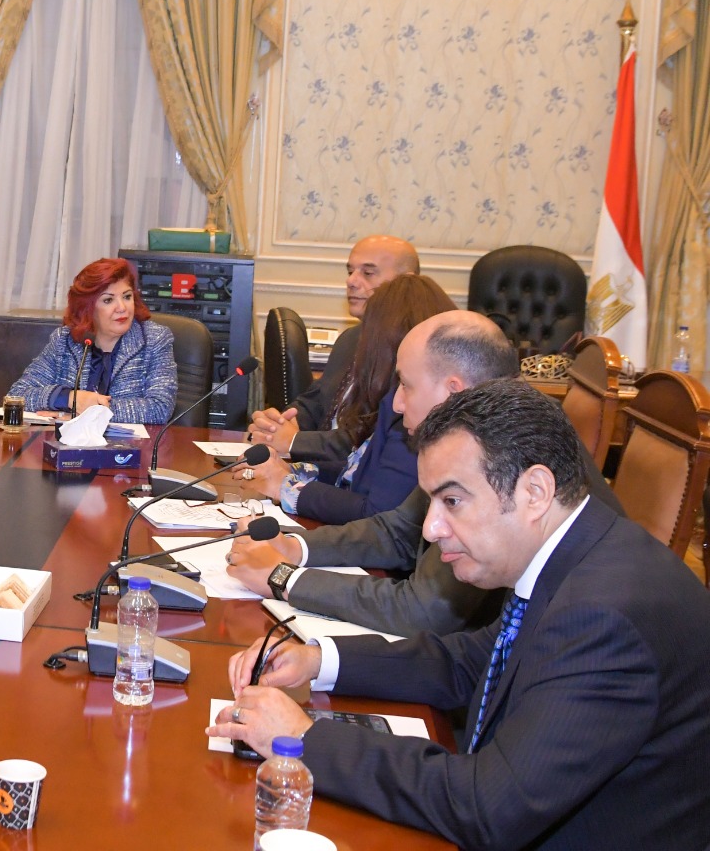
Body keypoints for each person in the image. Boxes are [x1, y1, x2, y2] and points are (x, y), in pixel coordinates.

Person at [209, 380, 710, 851]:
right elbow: (471, 662)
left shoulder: (604, 615)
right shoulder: (574, 551)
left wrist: (305, 739)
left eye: (452, 500)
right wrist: (321, 660)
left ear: (534, 492)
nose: (431, 528)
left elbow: (489, 807)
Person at [226, 311, 630, 637]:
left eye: (406, 385)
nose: (397, 404)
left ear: (453, 391)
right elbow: (398, 531)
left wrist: (284, 579)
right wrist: (295, 548)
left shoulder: (506, 450)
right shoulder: (477, 431)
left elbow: (423, 610)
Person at [236, 274, 455, 524]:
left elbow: (376, 514)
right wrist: (293, 471)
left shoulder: (414, 412)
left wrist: (285, 486)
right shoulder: (394, 398)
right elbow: (356, 470)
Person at [249, 235, 419, 463]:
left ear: (406, 280)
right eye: (350, 271)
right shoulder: (350, 339)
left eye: (368, 273)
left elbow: (367, 440)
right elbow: (315, 402)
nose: (352, 281)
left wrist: (294, 441)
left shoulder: (412, 351)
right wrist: (276, 424)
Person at [7, 258, 178, 424]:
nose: (122, 308)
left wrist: (90, 411)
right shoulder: (65, 340)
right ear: (88, 308)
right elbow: (17, 395)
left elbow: (160, 408)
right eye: (108, 300)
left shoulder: (154, 339)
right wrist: (71, 398)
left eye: (127, 296)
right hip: (69, 442)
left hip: (131, 443)